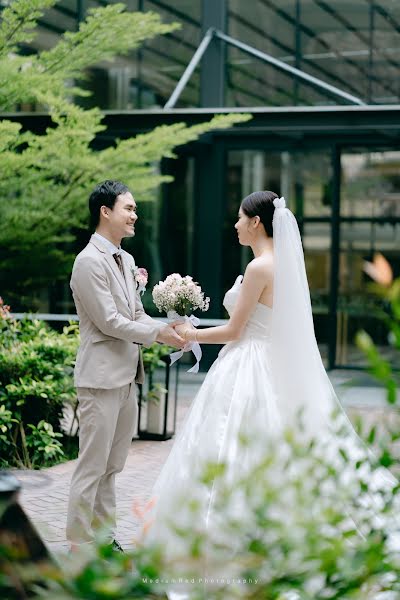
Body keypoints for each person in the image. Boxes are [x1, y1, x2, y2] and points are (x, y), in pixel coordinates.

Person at [146, 191, 398, 594]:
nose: (235, 225)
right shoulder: (281, 265)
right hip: (263, 361)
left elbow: (234, 331)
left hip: (246, 362)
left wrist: (189, 334)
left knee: (229, 446)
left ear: (257, 223)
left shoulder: (261, 267)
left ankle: (223, 546)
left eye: (240, 218)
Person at [66, 180, 184, 550]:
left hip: (127, 378)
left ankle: (104, 538)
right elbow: (109, 322)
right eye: (128, 208)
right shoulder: (87, 261)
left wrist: (170, 326)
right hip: (99, 379)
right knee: (92, 467)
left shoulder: (127, 259)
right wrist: (157, 335)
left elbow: (134, 313)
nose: (135, 215)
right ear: (105, 212)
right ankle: (79, 546)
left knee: (113, 467)